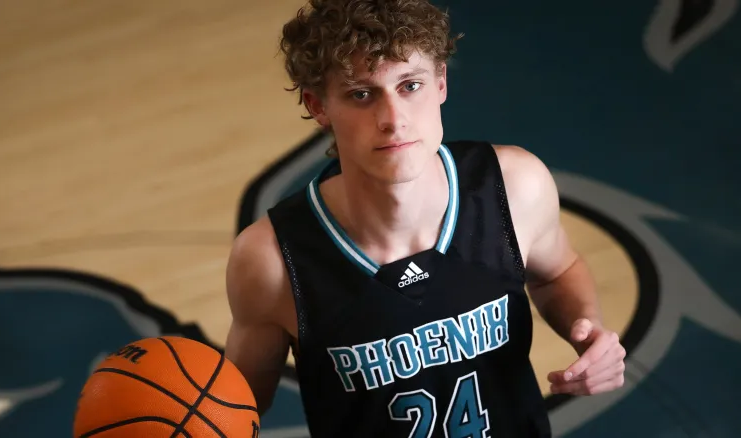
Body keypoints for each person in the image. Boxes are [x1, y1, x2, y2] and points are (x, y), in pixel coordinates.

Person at [224, 0, 626, 436]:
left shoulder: (514, 186)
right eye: (362, 94)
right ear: (319, 107)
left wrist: (587, 330)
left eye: (410, 86)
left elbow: (556, 271)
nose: (393, 120)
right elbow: (232, 405)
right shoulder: (272, 260)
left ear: (440, 83)